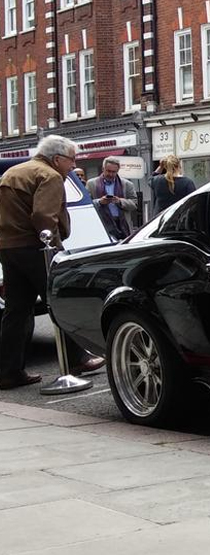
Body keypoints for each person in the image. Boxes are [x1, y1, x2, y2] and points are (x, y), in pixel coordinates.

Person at [0, 135, 105, 389]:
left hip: (8, 247)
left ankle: (8, 371)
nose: (73, 164)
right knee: (59, 300)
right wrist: (53, 245)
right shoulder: (50, 175)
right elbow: (43, 215)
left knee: (16, 310)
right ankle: (76, 360)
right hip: (36, 248)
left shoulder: (13, 172)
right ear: (57, 158)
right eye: (71, 159)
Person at [87, 157, 139, 240]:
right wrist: (100, 202)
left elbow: (134, 204)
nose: (111, 174)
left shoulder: (127, 184)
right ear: (103, 169)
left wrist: (120, 201)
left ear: (118, 171)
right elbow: (87, 205)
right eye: (108, 171)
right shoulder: (92, 184)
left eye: (114, 172)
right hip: (103, 224)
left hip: (122, 224)